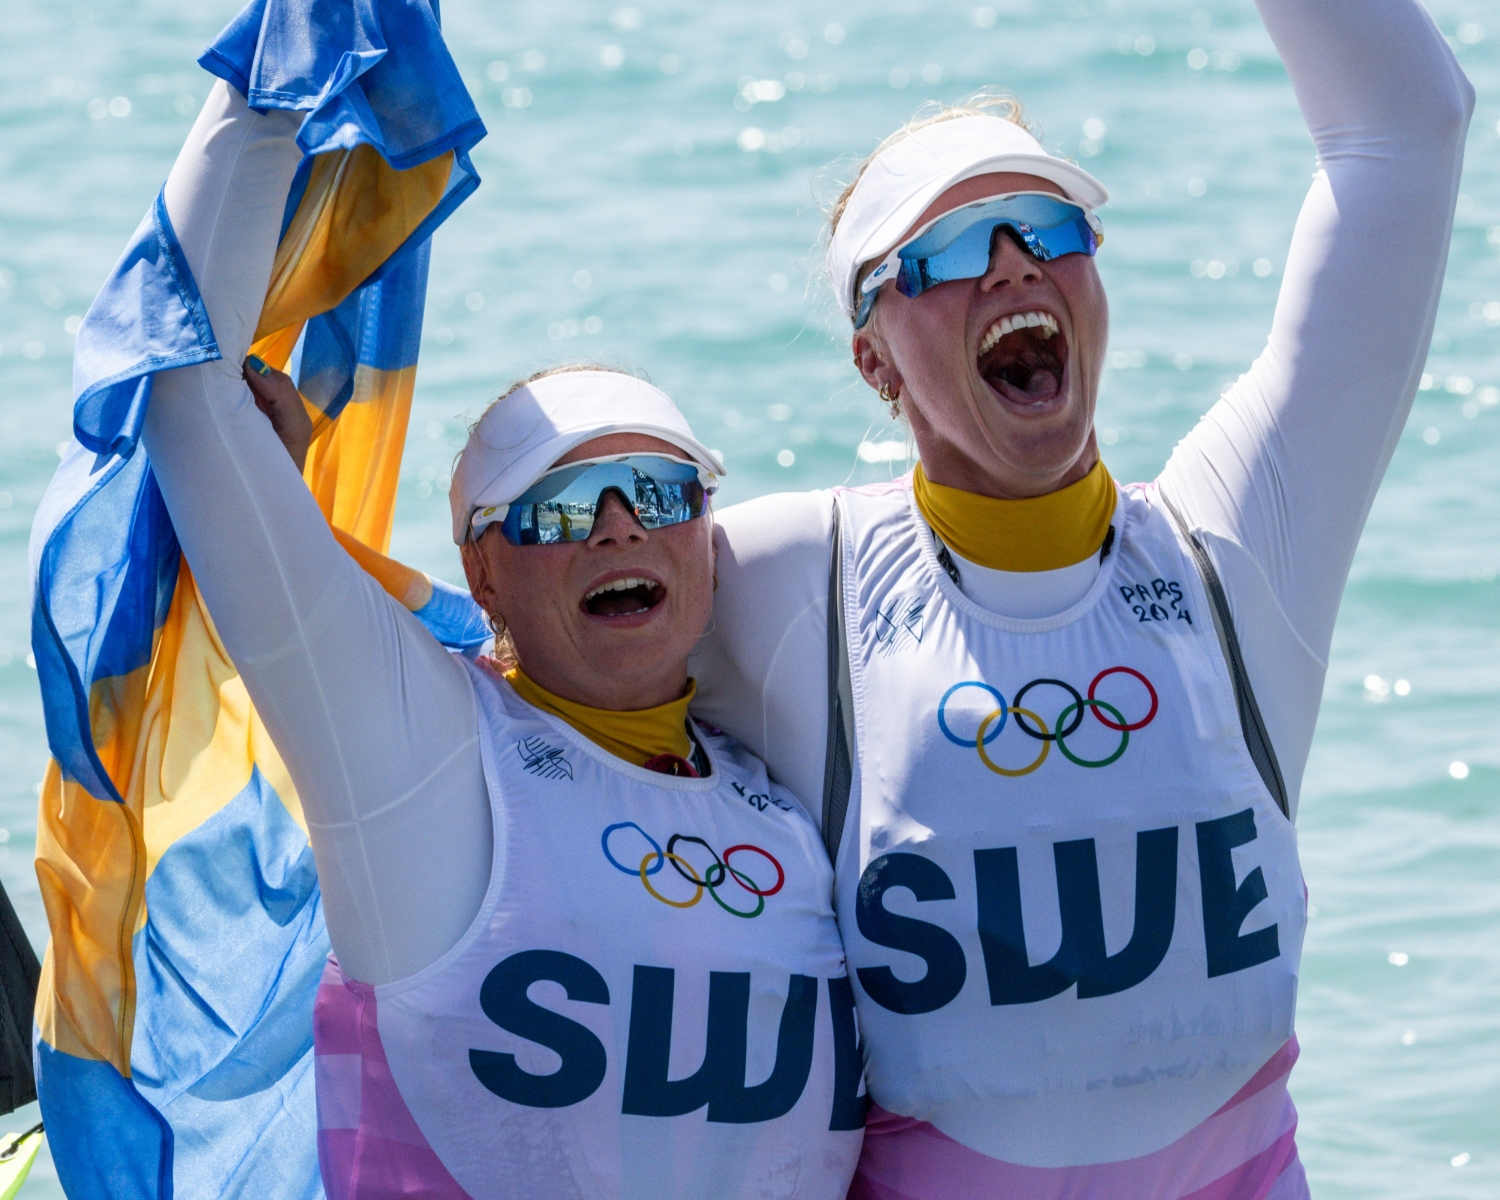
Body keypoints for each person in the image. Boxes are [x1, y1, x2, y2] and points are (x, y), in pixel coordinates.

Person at [691, 0, 1474, 1196]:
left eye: (1048, 227)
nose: (1013, 262)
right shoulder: (789, 585)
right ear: (873, 357)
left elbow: (1410, 124)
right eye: (947, 254)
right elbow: (494, 666)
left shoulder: (1236, 544)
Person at [139, 81, 864, 1198]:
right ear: (483, 570)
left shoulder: (781, 794)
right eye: (561, 509)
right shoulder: (428, 761)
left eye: (657, 490)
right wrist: (270, 80)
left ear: (707, 534)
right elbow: (188, 389)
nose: (619, 524)